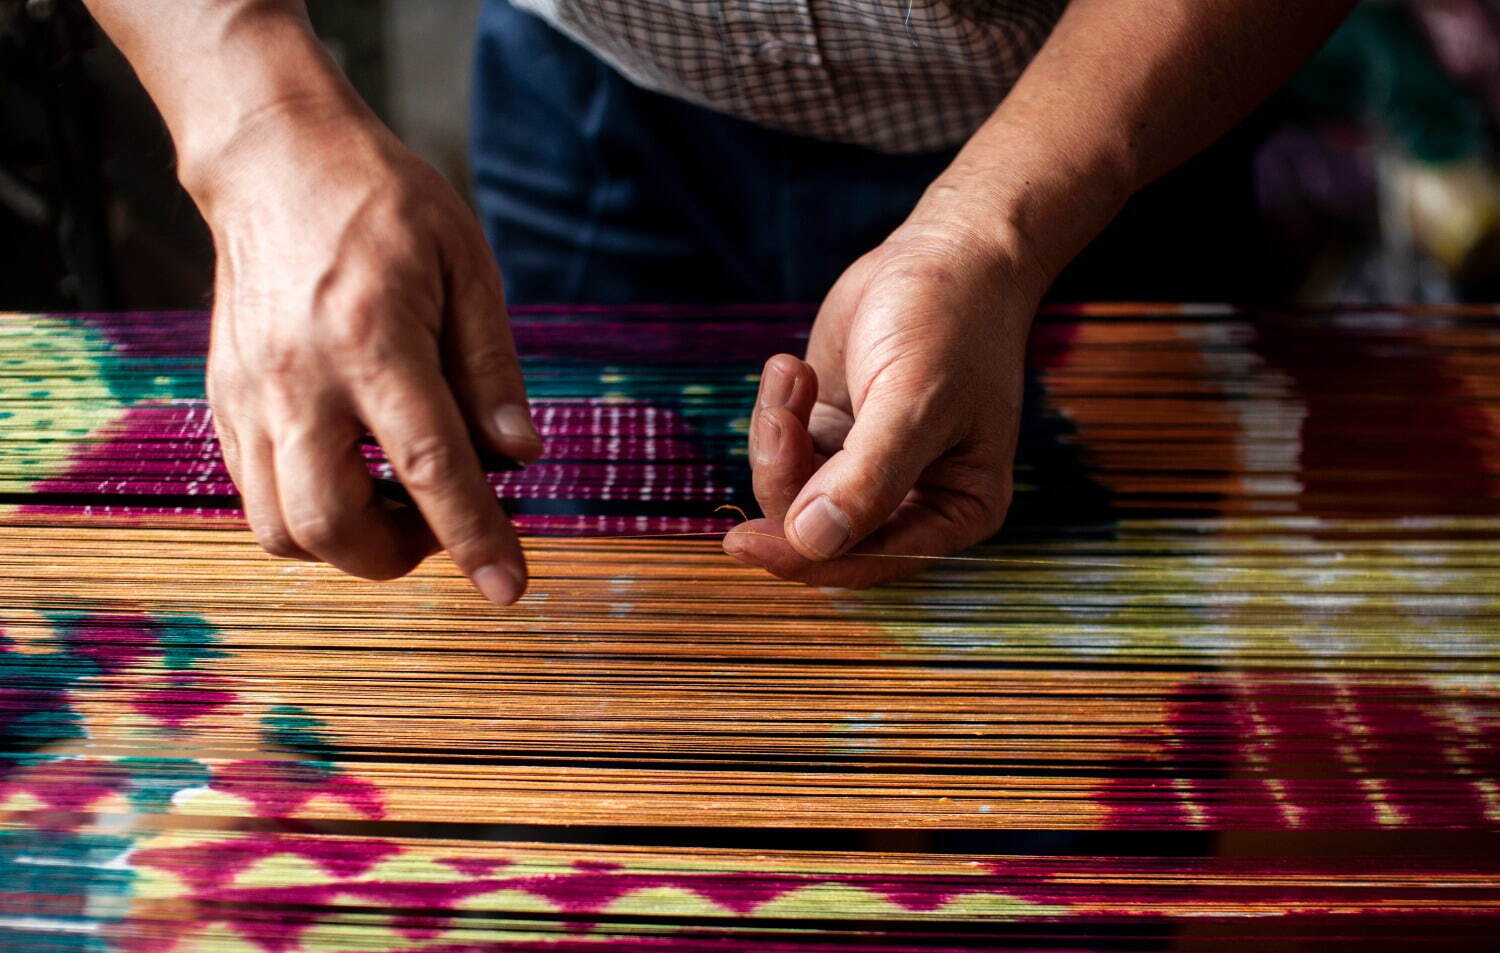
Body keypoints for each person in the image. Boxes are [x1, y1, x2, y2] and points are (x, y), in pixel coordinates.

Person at [83, 0, 1354, 603]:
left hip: (1108, 136)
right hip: (598, 112)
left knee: (1111, 717)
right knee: (597, 679)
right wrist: (256, 122)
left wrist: (998, 226)